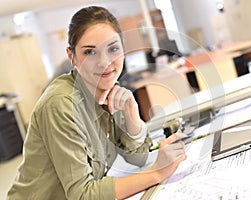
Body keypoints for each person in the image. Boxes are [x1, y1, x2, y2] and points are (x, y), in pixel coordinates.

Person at [7, 6, 187, 200]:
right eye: (90, 52)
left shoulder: (110, 90)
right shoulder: (60, 104)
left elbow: (139, 158)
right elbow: (83, 194)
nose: (104, 62)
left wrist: (132, 117)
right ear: (72, 57)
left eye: (113, 49)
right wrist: (156, 173)